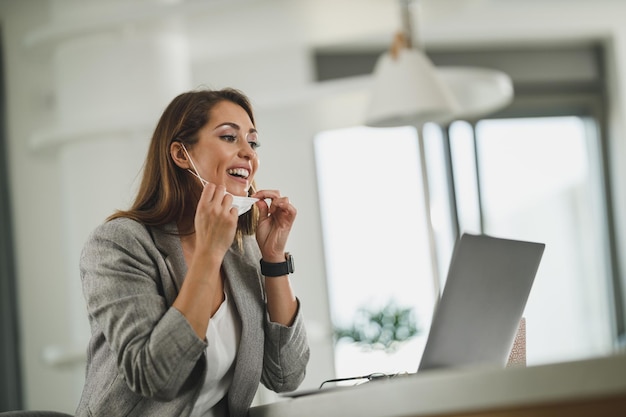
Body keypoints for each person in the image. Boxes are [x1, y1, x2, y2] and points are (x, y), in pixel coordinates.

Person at [75, 88, 310, 417]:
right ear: (181, 154)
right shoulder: (118, 243)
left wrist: (273, 260)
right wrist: (208, 255)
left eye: (253, 142)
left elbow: (287, 375)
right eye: (229, 137)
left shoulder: (243, 252)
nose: (248, 154)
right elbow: (156, 378)